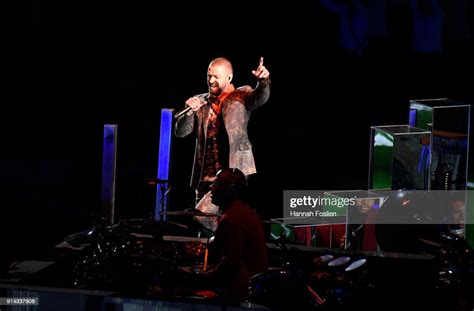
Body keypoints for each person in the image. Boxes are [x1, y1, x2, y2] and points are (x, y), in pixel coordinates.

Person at [174, 57, 270, 209]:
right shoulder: (199, 102)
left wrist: (263, 82)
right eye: (209, 76)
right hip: (204, 176)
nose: (211, 80)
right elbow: (180, 132)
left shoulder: (241, 95)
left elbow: (260, 97)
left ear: (229, 78)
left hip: (232, 175)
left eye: (216, 77)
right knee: (207, 225)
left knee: (202, 216)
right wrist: (188, 114)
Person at [202, 168, 268, 304]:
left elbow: (230, 262)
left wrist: (202, 277)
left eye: (217, 184)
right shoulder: (246, 212)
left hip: (237, 293)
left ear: (230, 190)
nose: (211, 188)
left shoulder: (232, 218)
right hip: (248, 289)